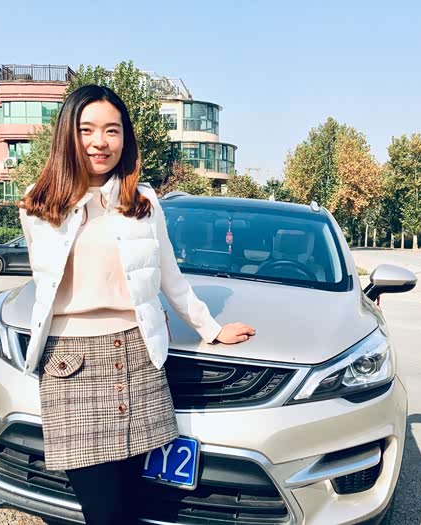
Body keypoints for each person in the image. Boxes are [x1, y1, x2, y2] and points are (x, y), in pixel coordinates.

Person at [18, 84, 255, 525]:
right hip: (71, 364)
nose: (99, 142)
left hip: (137, 354)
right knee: (103, 511)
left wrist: (211, 328)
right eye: (87, 130)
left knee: (133, 503)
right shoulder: (38, 204)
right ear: (68, 134)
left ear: (124, 139)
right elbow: (43, 285)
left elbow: (169, 276)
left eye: (112, 130)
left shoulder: (142, 202)